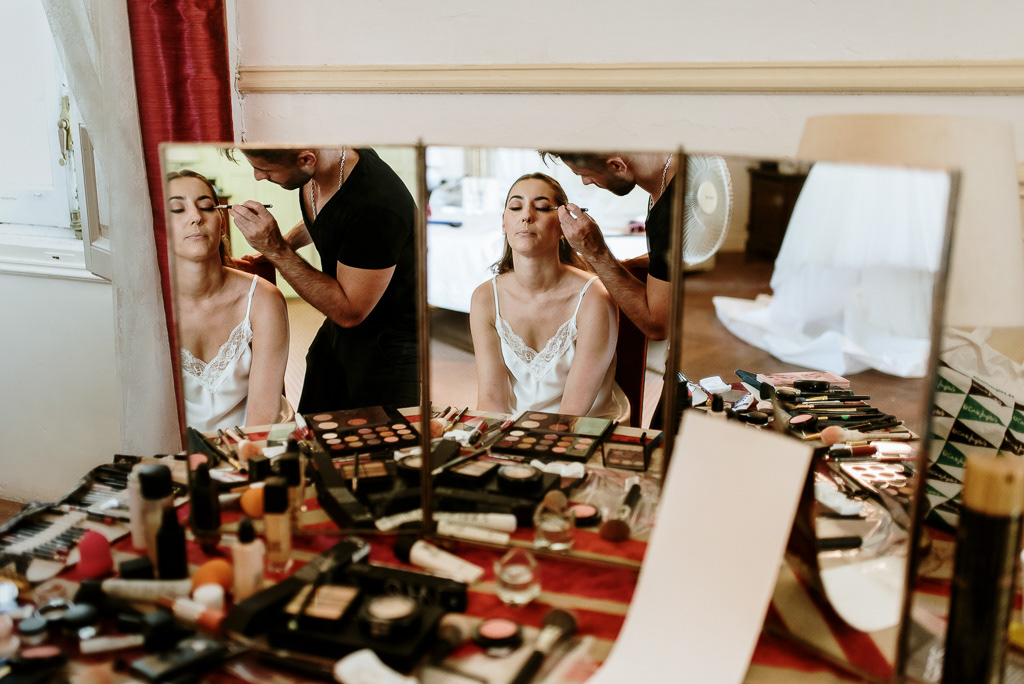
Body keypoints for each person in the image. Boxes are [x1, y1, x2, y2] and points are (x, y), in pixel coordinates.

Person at [228, 147, 418, 413]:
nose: (258, 177)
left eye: (265, 169)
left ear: (306, 160)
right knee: (313, 423)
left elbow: (350, 312)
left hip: (387, 346)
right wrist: (287, 244)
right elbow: (328, 214)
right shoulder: (330, 163)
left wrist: (276, 249)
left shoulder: (376, 206)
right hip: (338, 330)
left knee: (374, 435)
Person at [470, 173, 629, 421]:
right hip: (518, 429)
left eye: (542, 207)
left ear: (563, 226)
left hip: (585, 428)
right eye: (516, 207)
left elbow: (573, 412)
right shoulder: (485, 298)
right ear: (504, 223)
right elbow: (491, 400)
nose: (526, 216)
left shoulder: (594, 298)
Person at [167, 170, 289, 432]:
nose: (196, 217)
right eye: (177, 209)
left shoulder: (264, 300)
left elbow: (263, 417)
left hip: (253, 443)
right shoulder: (145, 308)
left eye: (206, 207)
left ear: (222, 222)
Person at [540, 151, 678, 342]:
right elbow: (676, 256)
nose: (585, 182)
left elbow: (658, 327)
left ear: (617, 166)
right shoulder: (672, 171)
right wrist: (626, 265)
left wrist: (596, 252)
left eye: (584, 174)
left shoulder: (671, 211)